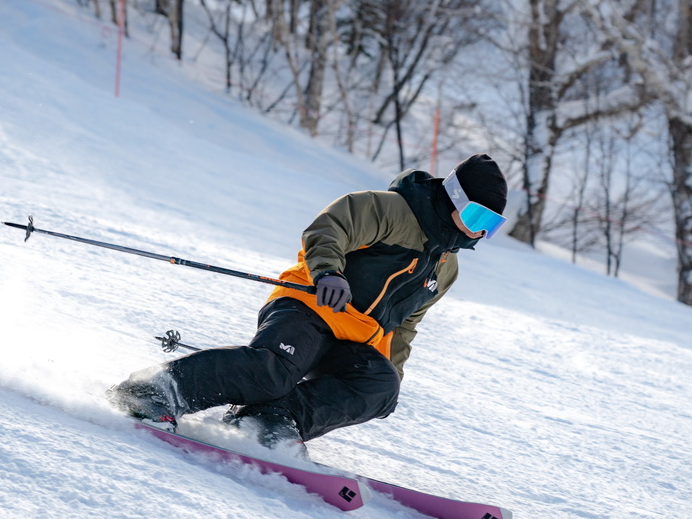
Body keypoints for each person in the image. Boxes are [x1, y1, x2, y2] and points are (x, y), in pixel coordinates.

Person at [107, 153, 508, 449]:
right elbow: (329, 228)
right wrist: (328, 273)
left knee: (381, 388)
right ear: (454, 197)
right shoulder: (392, 210)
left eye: (490, 227)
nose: (479, 234)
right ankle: (154, 391)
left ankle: (268, 420)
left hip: (354, 341)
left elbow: (405, 324)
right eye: (476, 219)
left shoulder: (447, 267)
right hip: (311, 306)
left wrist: (390, 374)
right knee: (273, 372)